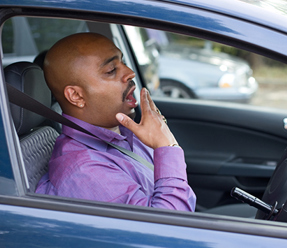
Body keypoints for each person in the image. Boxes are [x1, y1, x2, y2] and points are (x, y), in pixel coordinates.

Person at [35, 32, 196, 212]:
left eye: (124, 61)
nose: (130, 73)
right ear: (77, 96)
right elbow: (170, 229)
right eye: (112, 70)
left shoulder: (124, 132)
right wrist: (167, 146)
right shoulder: (85, 172)